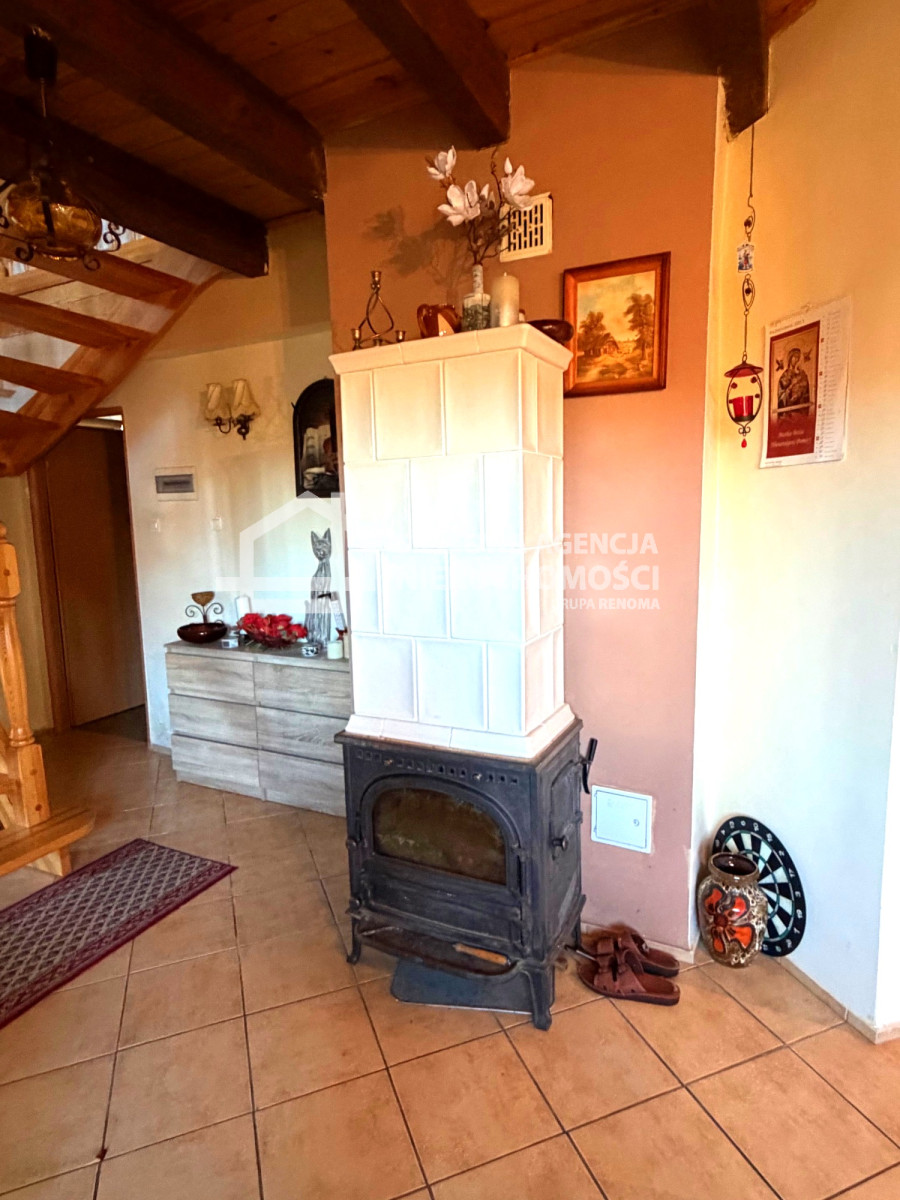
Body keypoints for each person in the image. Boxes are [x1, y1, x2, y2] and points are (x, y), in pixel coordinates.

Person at [777, 347, 811, 413]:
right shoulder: (785, 374)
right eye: (794, 357)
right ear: (790, 358)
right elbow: (781, 395)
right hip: (788, 409)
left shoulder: (802, 373)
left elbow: (806, 391)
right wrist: (792, 385)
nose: (796, 359)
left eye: (798, 357)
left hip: (800, 408)